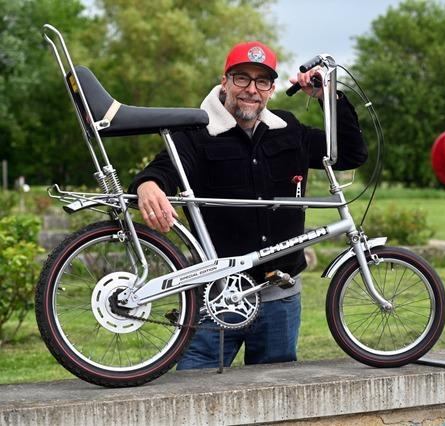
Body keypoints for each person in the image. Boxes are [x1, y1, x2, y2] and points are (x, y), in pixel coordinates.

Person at [130, 41, 367, 369]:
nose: (251, 90)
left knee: (273, 399)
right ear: (224, 81)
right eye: (241, 78)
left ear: (271, 89)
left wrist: (330, 97)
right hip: (214, 297)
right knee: (193, 395)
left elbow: (351, 153)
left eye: (262, 81)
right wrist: (148, 185)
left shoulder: (289, 130)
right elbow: (163, 169)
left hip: (280, 298)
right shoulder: (195, 133)